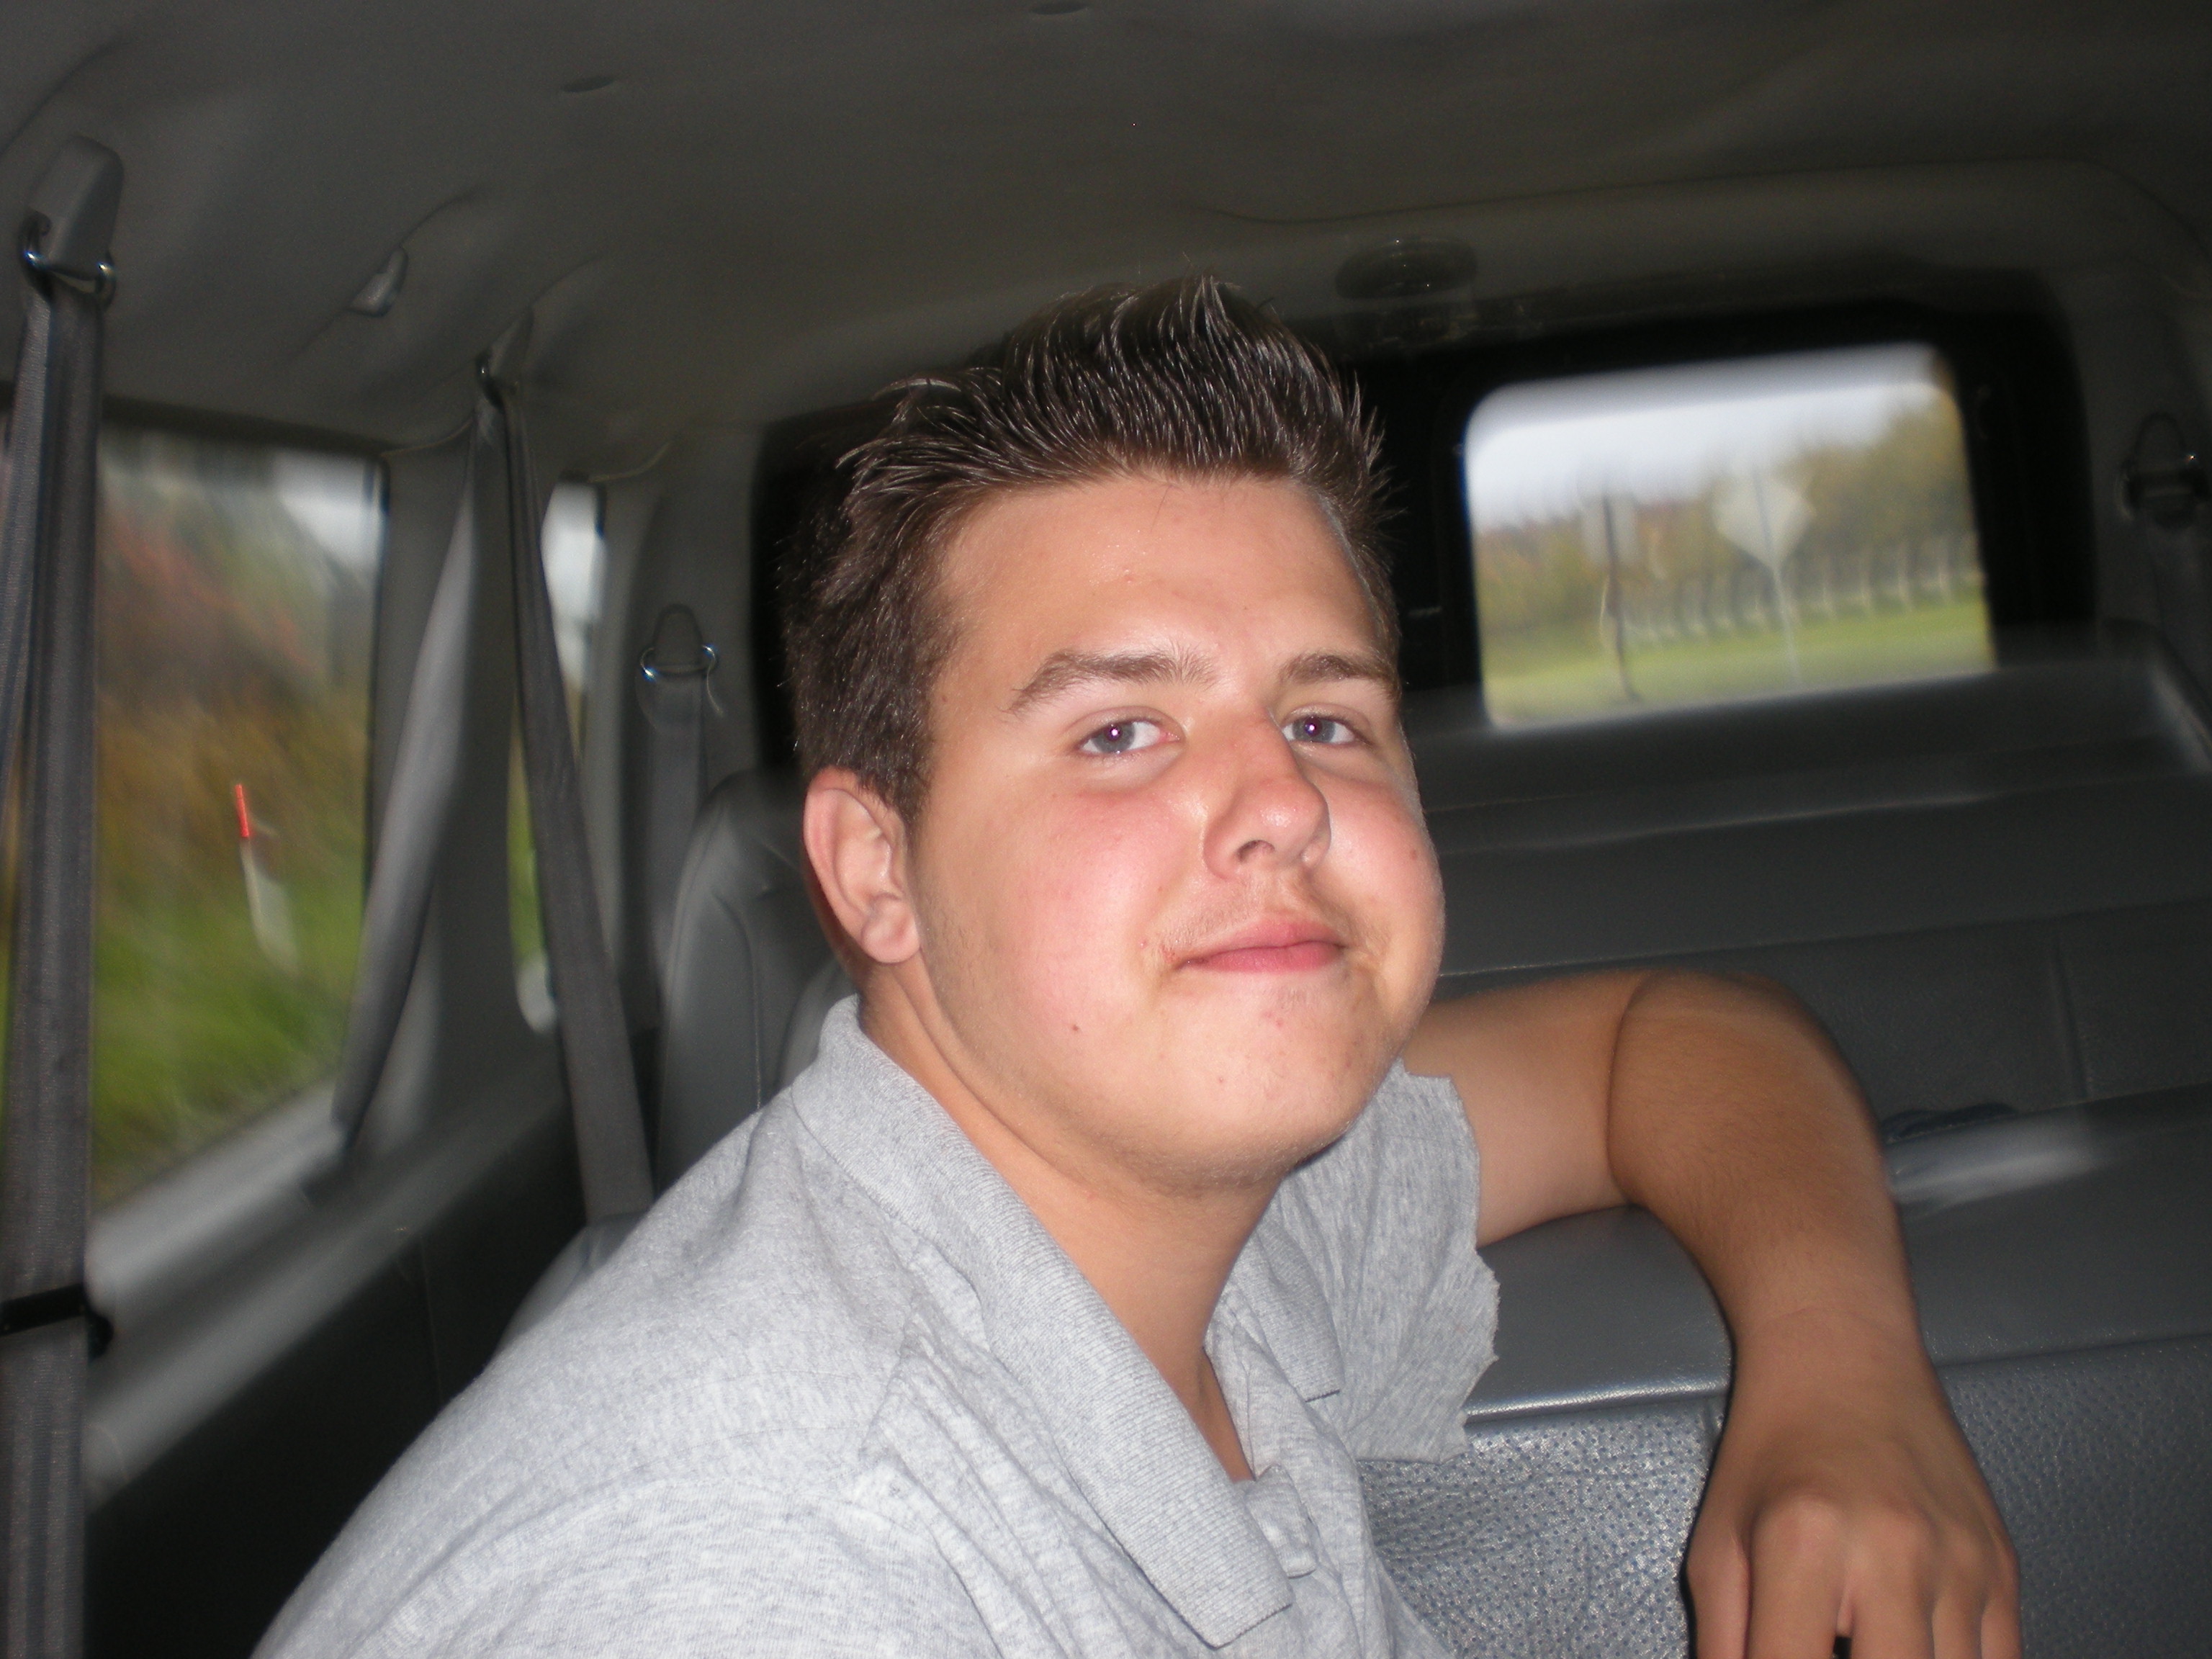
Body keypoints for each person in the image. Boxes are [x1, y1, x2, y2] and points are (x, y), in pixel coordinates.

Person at [261, 275, 2017, 1658]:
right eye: (1119, 732)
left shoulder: (1207, 1222)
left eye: (1325, 718)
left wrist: (1845, 1376)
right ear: (877, 873)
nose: (1284, 805)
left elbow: (1665, 1038)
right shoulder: (765, 1577)